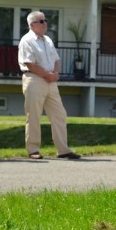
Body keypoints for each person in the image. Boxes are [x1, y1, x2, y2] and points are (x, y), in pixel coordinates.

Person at [17, 11, 80, 160]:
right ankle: (33, 149)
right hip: (34, 79)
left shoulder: (48, 40)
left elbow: (56, 60)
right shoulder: (27, 41)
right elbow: (30, 64)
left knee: (59, 114)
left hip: (50, 81)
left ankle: (63, 150)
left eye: (45, 20)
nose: (45, 23)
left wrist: (55, 73)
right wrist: (48, 75)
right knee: (33, 115)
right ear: (32, 25)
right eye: (41, 21)